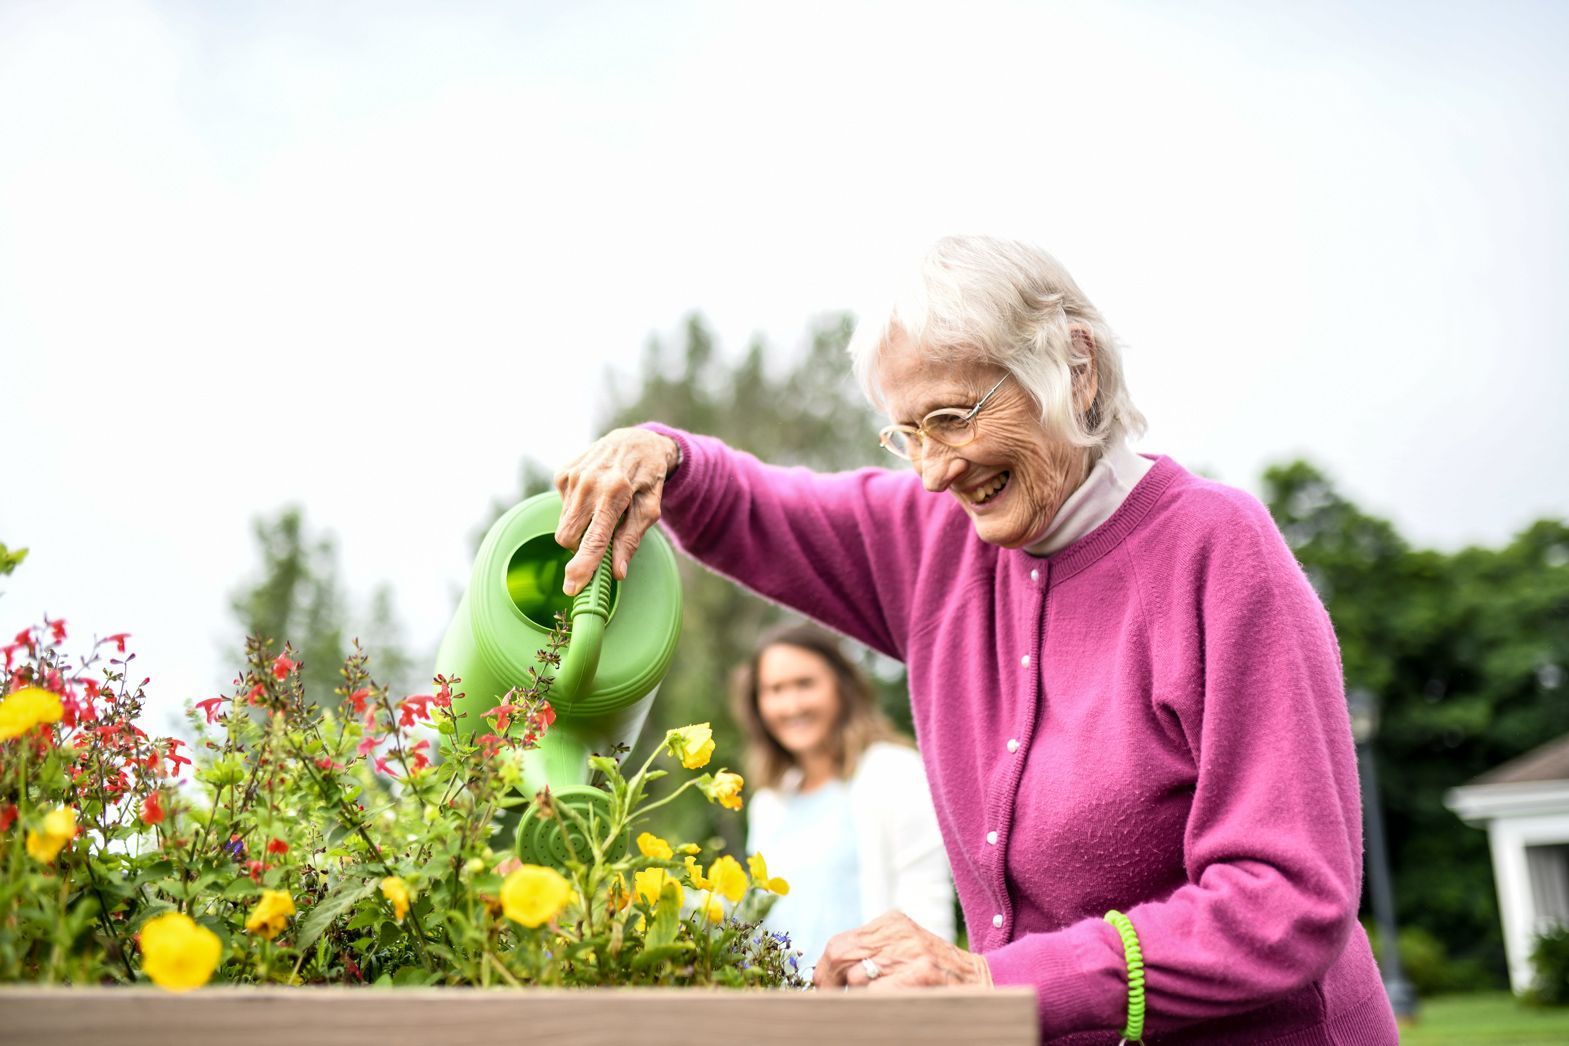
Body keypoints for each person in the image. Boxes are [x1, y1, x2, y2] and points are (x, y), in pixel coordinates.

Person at [552, 235, 1399, 1043]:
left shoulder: (1215, 550)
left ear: (1077, 369)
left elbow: (1284, 901)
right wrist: (656, 452)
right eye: (907, 433)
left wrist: (992, 984)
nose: (932, 470)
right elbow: (753, 506)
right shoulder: (934, 540)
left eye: (953, 418)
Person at [734, 622, 954, 975]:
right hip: (782, 1012)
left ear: (841, 687)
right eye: (774, 690)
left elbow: (928, 916)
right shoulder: (769, 803)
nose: (791, 706)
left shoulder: (893, 771)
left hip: (869, 1010)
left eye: (805, 684)